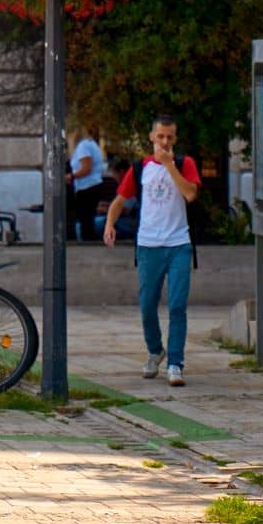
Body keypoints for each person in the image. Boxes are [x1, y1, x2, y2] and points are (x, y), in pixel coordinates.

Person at [102, 113, 200, 387]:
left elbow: (190, 194)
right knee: (147, 306)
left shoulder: (184, 164)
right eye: (160, 136)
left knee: (178, 305)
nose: (165, 141)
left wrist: (170, 167)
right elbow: (120, 200)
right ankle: (156, 350)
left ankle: (175, 363)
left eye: (170, 137)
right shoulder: (140, 167)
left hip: (178, 243)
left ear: (175, 138)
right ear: (151, 137)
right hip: (148, 245)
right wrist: (110, 224)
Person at [68, 124, 105, 242]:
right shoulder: (93, 145)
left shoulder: (83, 146)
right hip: (94, 184)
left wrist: (71, 176)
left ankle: (88, 243)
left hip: (86, 187)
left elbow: (86, 168)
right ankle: (90, 240)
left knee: (86, 219)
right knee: (89, 219)